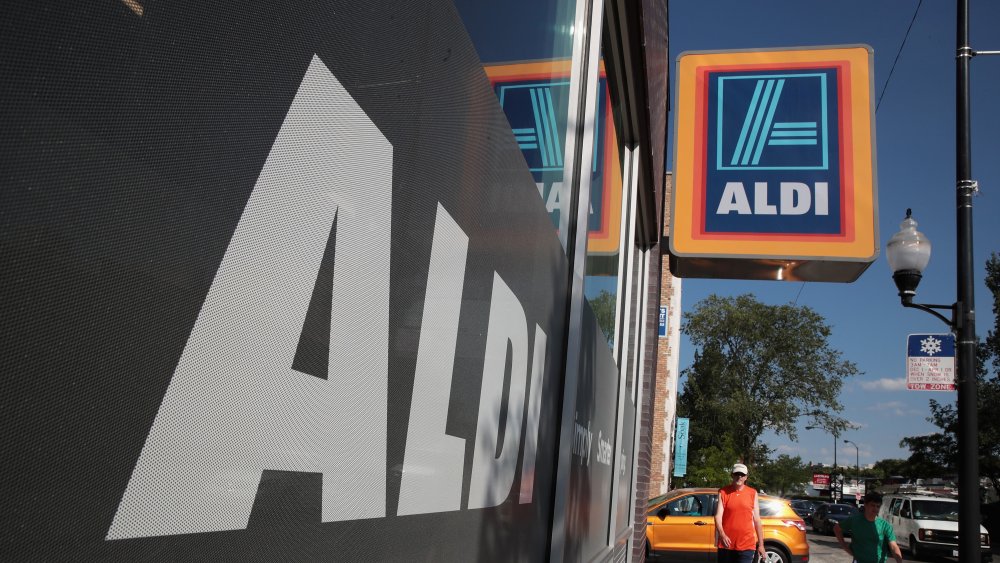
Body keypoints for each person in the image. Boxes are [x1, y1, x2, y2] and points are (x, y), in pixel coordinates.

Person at [715, 463, 766, 563]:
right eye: (737, 474)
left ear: (746, 477)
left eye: (742, 475)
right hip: (726, 544)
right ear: (732, 475)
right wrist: (722, 534)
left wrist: (761, 545)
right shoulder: (723, 492)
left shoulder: (752, 493)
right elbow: (718, 516)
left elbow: (757, 520)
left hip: (747, 545)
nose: (739, 477)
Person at [834, 492, 903, 563]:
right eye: (872, 505)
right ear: (865, 505)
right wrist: (844, 546)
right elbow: (837, 528)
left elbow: (893, 546)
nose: (875, 509)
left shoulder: (885, 526)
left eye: (878, 506)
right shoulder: (854, 520)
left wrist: (899, 561)